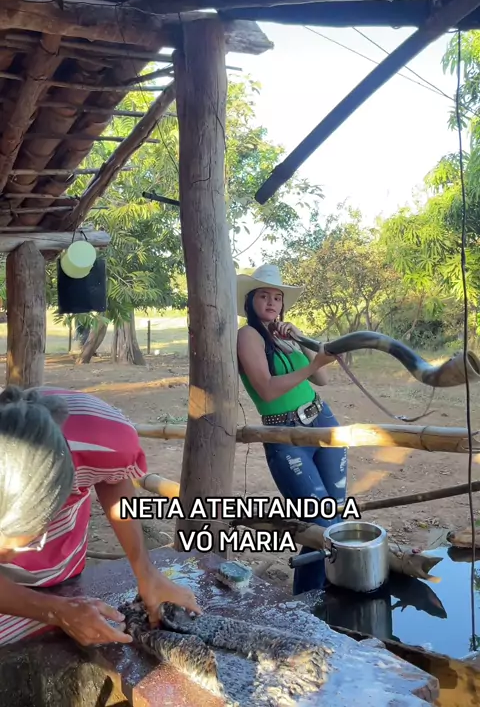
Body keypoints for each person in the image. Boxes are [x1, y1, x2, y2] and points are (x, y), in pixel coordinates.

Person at [0, 384, 201, 647]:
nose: (10, 557)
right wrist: (54, 610)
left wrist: (146, 572)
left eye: (28, 539)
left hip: (62, 568)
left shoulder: (103, 436)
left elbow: (112, 475)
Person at [236, 264, 348, 596]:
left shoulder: (285, 335)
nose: (272, 302)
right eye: (264, 296)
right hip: (284, 432)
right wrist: (313, 364)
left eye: (277, 297)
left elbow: (321, 379)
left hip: (322, 419)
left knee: (335, 516)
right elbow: (267, 389)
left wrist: (301, 339)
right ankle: (307, 600)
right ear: (250, 301)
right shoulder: (248, 335)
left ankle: (328, 593)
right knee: (321, 522)